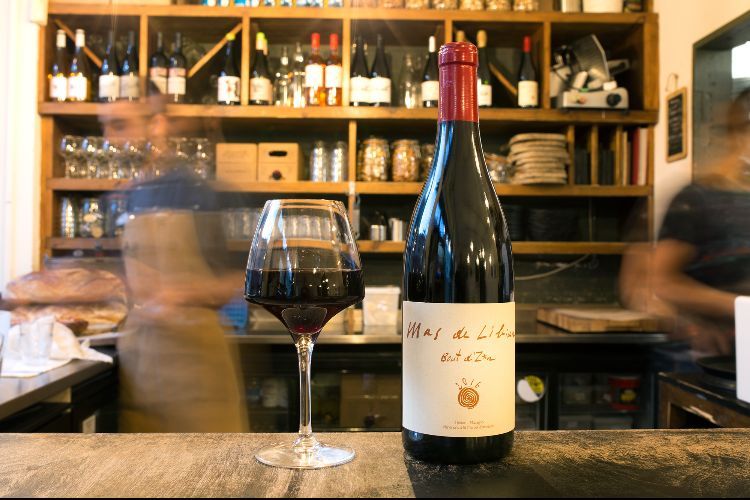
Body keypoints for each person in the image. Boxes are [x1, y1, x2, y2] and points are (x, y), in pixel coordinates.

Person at [101, 97, 248, 432]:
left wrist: (176, 295)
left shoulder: (195, 191)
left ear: (157, 125)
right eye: (105, 126)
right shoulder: (131, 194)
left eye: (120, 125)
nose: (109, 137)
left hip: (195, 376)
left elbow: (245, 279)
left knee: (210, 481)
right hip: (141, 372)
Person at [649, 88, 750, 356]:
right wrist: (739, 306)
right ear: (739, 135)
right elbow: (662, 280)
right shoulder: (697, 199)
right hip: (708, 358)